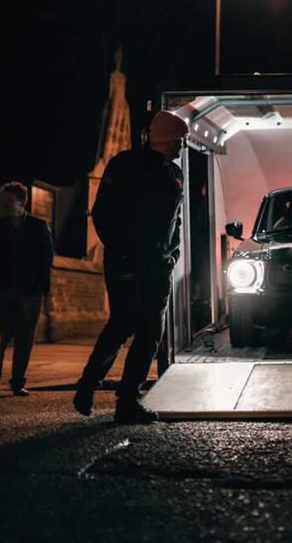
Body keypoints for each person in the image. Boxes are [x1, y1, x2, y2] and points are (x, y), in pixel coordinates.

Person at [73, 110, 187, 423]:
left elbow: (175, 220)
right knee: (123, 323)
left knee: (151, 332)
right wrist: (122, 254)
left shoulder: (174, 173)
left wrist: (172, 255)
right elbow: (103, 213)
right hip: (127, 262)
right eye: (179, 140)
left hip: (158, 265)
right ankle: (89, 383)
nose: (181, 145)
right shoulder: (125, 165)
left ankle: (128, 401)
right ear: (165, 139)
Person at [0, 182, 54, 397]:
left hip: (30, 291)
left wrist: (43, 289)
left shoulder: (39, 226)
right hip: (2, 289)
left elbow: (46, 260)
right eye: (4, 201)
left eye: (9, 201)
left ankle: (18, 381)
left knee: (24, 338)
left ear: (22, 202)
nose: (5, 205)